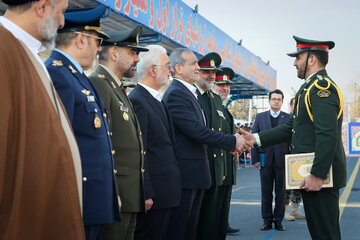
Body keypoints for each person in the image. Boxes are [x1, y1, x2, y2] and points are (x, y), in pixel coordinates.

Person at [242, 36, 346, 240]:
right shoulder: (309, 88)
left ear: (312, 59)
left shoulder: (320, 88)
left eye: (298, 57)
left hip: (320, 177)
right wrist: (255, 139)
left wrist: (317, 174)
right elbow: (291, 127)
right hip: (313, 175)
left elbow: (327, 133)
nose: (294, 62)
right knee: (320, 232)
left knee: (325, 233)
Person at [0, 0, 85, 239]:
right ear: (42, 7)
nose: (62, 22)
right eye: (61, 12)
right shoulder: (4, 48)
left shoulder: (25, 51)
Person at [45, 6, 121, 240]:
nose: (100, 49)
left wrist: (111, 192)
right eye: (97, 41)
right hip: (79, 199)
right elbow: (57, 146)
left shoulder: (74, 75)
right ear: (80, 40)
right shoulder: (59, 74)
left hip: (93, 197)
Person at [163, 48, 248, 240]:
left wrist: (235, 139)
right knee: (186, 230)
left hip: (203, 173)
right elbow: (196, 130)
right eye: (194, 64)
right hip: (188, 174)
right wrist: (232, 141)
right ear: (178, 68)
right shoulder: (177, 93)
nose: (197, 68)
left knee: (196, 229)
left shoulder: (192, 94)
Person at [88, 25, 148, 240]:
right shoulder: (99, 84)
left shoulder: (117, 88)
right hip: (117, 194)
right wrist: (111, 191)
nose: (138, 59)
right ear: (113, 53)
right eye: (133, 52)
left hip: (129, 193)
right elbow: (102, 144)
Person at [128, 44, 182, 240]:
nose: (171, 69)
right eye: (167, 65)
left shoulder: (157, 100)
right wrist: (146, 192)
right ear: (152, 70)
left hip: (166, 191)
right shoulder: (138, 101)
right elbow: (139, 151)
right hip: (154, 195)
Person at [195, 53, 236, 240]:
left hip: (222, 168)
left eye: (213, 72)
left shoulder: (214, 99)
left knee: (218, 221)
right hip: (207, 168)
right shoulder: (196, 97)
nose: (223, 88)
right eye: (207, 72)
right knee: (206, 223)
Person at [251, 89, 290, 231]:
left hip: (282, 161)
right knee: (266, 192)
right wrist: (255, 158)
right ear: (269, 101)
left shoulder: (288, 118)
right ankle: (267, 220)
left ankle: (279, 220)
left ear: (282, 101)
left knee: (280, 193)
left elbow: (292, 140)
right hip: (265, 160)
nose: (276, 101)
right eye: (274, 99)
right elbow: (254, 138)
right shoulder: (260, 117)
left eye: (279, 99)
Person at [212, 67, 240, 234]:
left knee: (223, 201)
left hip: (227, 165)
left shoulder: (223, 108)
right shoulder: (211, 105)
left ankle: (223, 223)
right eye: (220, 84)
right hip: (217, 164)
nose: (224, 88)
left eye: (227, 85)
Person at [284, 97, 305, 221]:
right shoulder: (287, 119)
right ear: (291, 106)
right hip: (287, 158)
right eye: (295, 105)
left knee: (299, 186)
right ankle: (285, 211)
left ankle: (295, 209)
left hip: (300, 158)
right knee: (287, 187)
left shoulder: (304, 119)